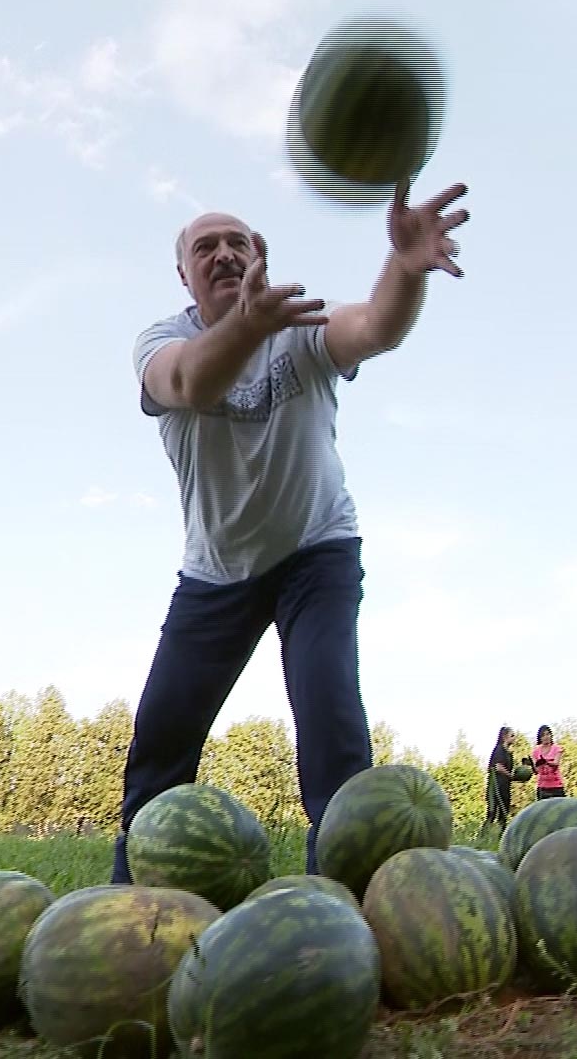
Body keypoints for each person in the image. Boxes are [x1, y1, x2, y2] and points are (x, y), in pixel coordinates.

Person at [110, 179, 473, 882]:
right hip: (216, 570)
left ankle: (351, 889)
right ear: (183, 273)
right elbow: (188, 384)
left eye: (236, 242)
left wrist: (402, 267)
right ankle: (133, 898)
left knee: (330, 710)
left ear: (257, 257)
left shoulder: (299, 328)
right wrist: (247, 327)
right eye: (204, 246)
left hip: (317, 549)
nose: (222, 253)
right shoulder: (163, 339)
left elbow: (374, 328)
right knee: (163, 733)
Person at [482, 726, 516, 830]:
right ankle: (483, 836)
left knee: (503, 814)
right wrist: (511, 776)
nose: (514, 738)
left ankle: (502, 837)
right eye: (512, 735)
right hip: (495, 786)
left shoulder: (508, 753)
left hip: (505, 786)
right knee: (492, 813)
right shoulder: (499, 750)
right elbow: (498, 767)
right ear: (505, 737)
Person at [529, 725, 566, 799]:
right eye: (543, 735)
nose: (546, 737)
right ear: (540, 738)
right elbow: (536, 771)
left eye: (548, 734)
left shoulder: (557, 748)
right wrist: (531, 765)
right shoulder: (536, 751)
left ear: (551, 735)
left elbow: (556, 763)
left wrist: (546, 762)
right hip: (542, 787)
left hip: (556, 786)